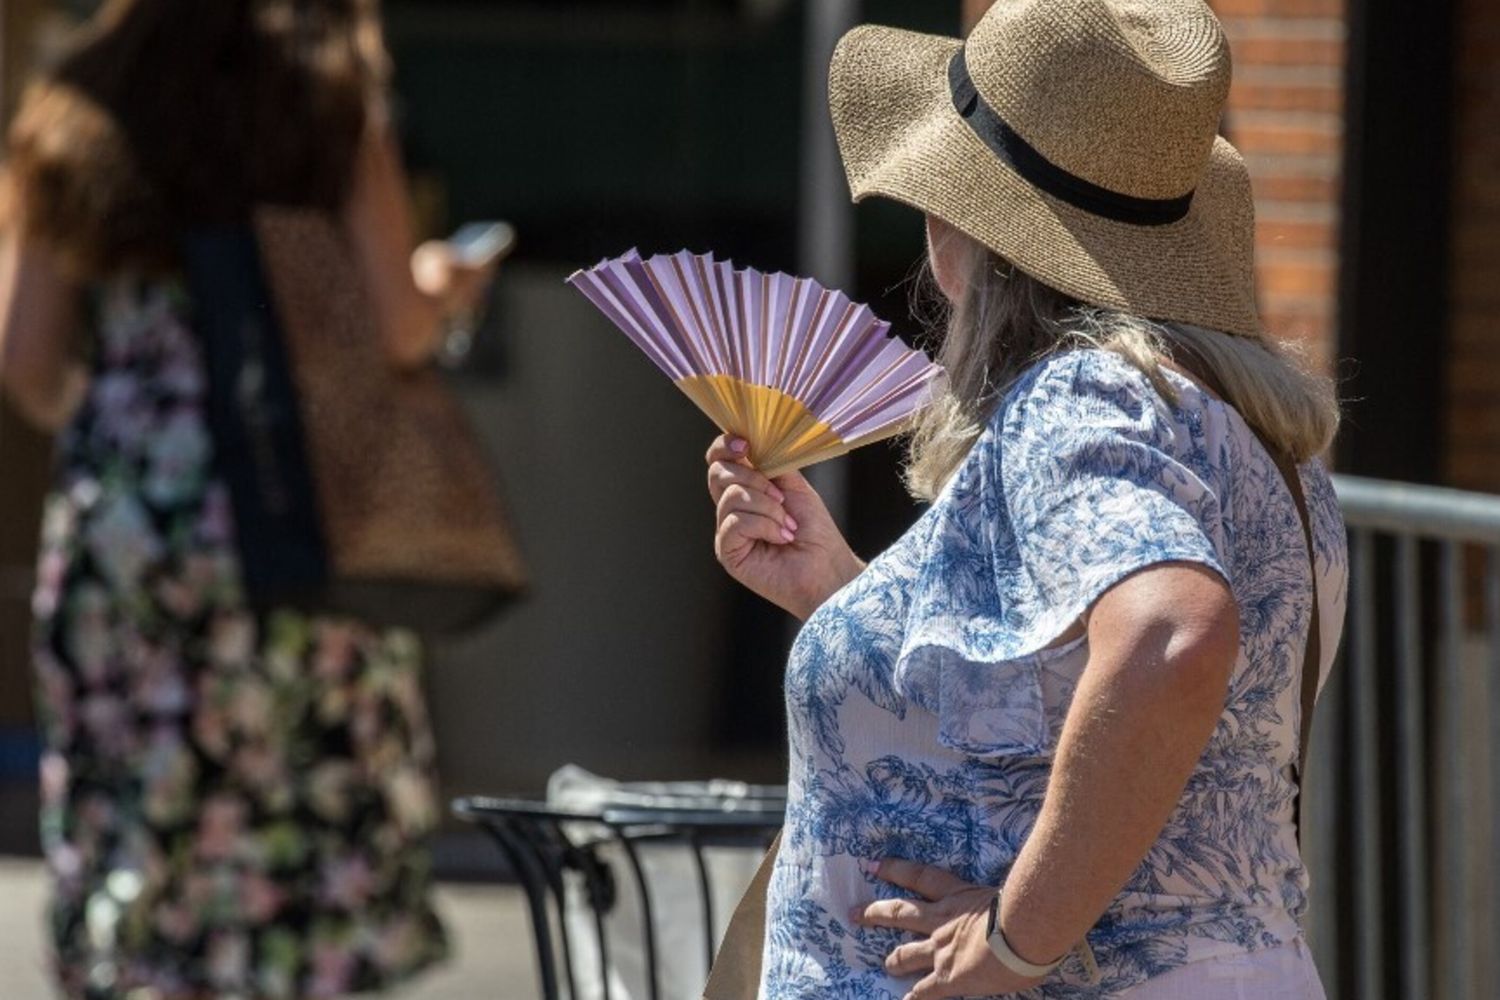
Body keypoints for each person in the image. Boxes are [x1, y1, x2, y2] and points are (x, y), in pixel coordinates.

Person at [704, 1, 1347, 997]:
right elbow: (1055, 696)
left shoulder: (1080, 396)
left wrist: (1013, 942)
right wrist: (847, 595)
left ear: (972, 229)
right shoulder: (1237, 419)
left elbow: (1173, 633)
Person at [0, 1, 495, 996]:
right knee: (302, 846)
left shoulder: (78, 95)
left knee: (143, 849)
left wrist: (136, 421)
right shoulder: (323, 82)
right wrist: (445, 285)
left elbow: (28, 361)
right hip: (299, 512)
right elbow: (395, 324)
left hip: (129, 519)